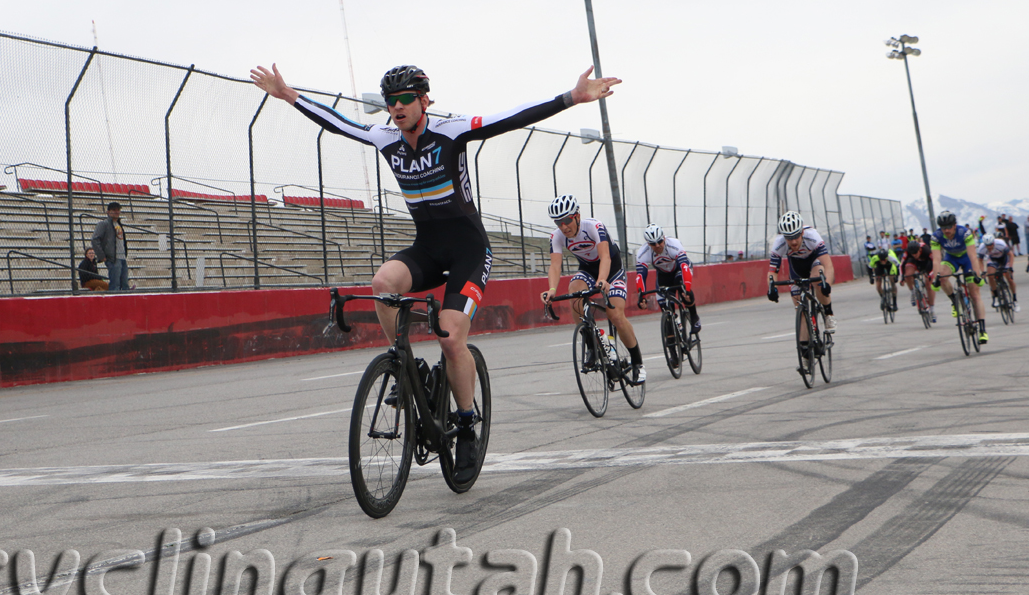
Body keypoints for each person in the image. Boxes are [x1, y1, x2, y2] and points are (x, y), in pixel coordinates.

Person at [251, 61, 618, 485]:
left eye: (406, 98)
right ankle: (406, 365)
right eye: (391, 101)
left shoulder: (451, 131)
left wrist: (572, 97)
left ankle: (465, 424)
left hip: (468, 249)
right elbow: (337, 123)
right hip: (427, 245)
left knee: (449, 335)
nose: (397, 107)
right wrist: (288, 94)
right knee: (382, 283)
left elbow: (511, 118)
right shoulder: (384, 136)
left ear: (425, 100)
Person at [543, 195, 646, 382]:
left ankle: (638, 362)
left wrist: (602, 280)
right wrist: (551, 289)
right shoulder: (556, 237)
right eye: (559, 222)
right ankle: (591, 345)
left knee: (615, 316)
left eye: (567, 220)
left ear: (577, 216)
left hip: (612, 270)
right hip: (588, 270)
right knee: (574, 291)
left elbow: (605, 257)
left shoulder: (594, 226)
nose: (564, 227)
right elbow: (555, 266)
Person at [766, 212, 837, 376]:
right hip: (796, 268)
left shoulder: (813, 237)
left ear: (802, 232)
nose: (793, 241)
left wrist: (827, 285)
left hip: (814, 262)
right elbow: (772, 271)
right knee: (800, 307)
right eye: (788, 237)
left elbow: (829, 266)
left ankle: (828, 313)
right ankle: (805, 358)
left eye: (796, 236)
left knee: (818, 278)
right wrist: (771, 288)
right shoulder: (779, 244)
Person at [929, 209, 989, 343]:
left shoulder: (965, 233)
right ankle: (955, 301)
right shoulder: (936, 236)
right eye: (943, 228)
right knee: (943, 277)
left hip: (967, 259)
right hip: (951, 259)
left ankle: (983, 330)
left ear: (954, 225)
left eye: (949, 227)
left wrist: (977, 275)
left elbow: (973, 256)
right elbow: (936, 260)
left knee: (974, 294)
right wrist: (936, 278)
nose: (946, 230)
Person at [635, 223, 701, 337]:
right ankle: (672, 343)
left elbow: (684, 267)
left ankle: (694, 316)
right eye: (653, 243)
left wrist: (687, 289)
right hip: (663, 274)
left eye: (660, 241)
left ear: (664, 238)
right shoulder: (643, 253)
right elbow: (640, 276)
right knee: (665, 306)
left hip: (679, 269)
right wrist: (641, 296)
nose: (657, 245)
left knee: (681, 287)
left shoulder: (674, 244)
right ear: (648, 244)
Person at [91, 202, 130, 291]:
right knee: (115, 284)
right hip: (113, 258)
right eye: (114, 210)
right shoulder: (104, 224)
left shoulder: (119, 224)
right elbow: (95, 239)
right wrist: (102, 256)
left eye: (118, 210)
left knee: (125, 284)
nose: (117, 212)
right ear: (108, 212)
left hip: (122, 257)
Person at [979, 233, 1019, 312]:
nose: (989, 247)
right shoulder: (982, 248)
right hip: (993, 260)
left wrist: (1010, 267)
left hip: (1004, 259)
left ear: (994, 242)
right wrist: (983, 272)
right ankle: (996, 297)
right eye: (987, 245)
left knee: (1009, 279)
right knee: (990, 275)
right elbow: (980, 261)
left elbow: (1010, 255)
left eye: (991, 244)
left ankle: (1015, 300)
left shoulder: (1000, 244)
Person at [900, 239, 937, 322]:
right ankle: (913, 291)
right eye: (912, 254)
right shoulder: (908, 253)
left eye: (916, 253)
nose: (914, 255)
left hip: (927, 263)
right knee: (908, 275)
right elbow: (902, 264)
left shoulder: (926, 250)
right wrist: (902, 277)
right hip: (914, 263)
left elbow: (935, 263)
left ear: (920, 250)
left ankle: (932, 309)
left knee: (929, 284)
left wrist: (930, 275)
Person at [871, 246, 901, 311]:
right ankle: (883, 298)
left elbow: (898, 266)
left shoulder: (891, 257)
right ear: (879, 258)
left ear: (887, 257)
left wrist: (896, 276)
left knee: (892, 280)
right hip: (879, 267)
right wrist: (871, 277)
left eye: (884, 259)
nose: (883, 261)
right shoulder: (875, 258)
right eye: (881, 260)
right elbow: (870, 267)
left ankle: (895, 303)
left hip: (890, 266)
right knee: (878, 285)